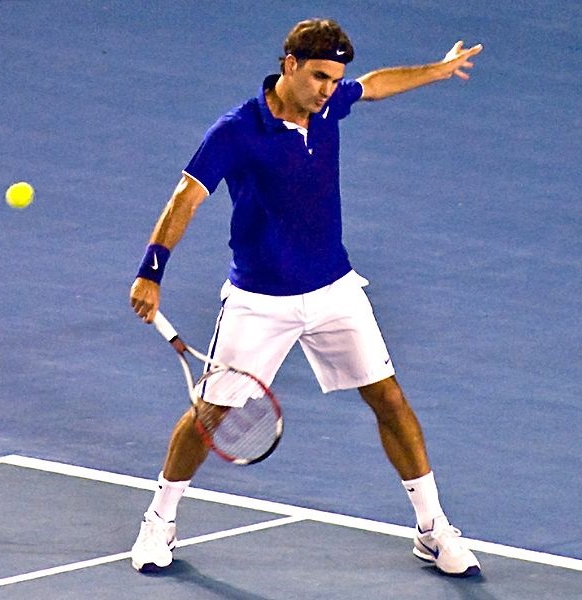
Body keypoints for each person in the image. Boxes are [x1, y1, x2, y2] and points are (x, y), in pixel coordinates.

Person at [129, 18, 483, 577]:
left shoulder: (330, 105)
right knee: (211, 413)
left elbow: (375, 84)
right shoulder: (236, 131)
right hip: (259, 299)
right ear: (288, 65)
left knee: (388, 399)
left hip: (334, 290)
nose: (328, 90)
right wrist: (151, 271)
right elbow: (186, 196)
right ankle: (159, 520)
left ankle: (433, 529)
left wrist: (437, 71)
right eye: (319, 77)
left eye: (333, 80)